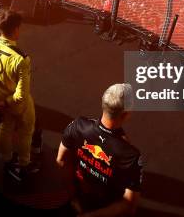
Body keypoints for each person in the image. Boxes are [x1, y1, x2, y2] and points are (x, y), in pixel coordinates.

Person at [57, 84, 143, 216]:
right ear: (126, 114)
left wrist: (72, 196)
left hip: (77, 198)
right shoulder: (130, 156)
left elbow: (61, 161)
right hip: (106, 208)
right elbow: (129, 205)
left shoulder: (77, 126)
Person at [0, 10, 39, 182]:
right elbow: (21, 94)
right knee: (26, 131)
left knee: (5, 126)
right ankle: (24, 164)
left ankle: (6, 158)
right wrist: (9, 102)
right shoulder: (21, 59)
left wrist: (3, 102)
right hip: (16, 102)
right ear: (15, 30)